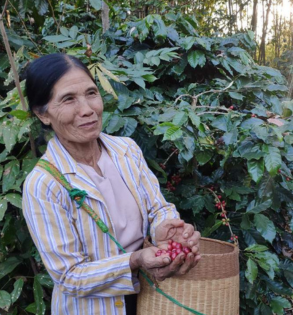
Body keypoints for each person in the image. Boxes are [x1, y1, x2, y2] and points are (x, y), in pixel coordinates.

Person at [21, 53, 201, 315]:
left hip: (149, 297)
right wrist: (134, 260)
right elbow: (70, 276)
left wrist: (165, 227)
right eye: (68, 99)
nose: (87, 109)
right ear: (42, 114)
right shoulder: (43, 185)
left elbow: (157, 207)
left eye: (91, 93)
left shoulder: (126, 151)